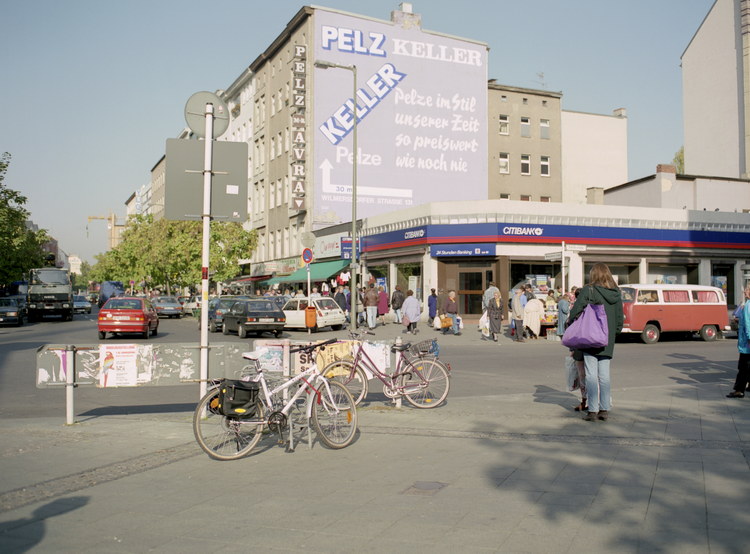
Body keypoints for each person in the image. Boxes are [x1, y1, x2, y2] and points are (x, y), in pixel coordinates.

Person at [567, 263, 624, 422]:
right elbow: (620, 317)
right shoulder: (616, 293)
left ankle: (592, 410)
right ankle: (604, 409)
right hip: (607, 339)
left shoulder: (589, 290)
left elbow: (576, 310)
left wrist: (571, 323)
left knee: (591, 375)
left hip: (590, 337)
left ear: (593, 275)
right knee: (604, 376)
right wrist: (613, 333)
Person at [727, 285, 750, 398]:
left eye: (747, 290)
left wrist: (749, 337)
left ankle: (739, 390)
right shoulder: (746, 305)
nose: (745, 292)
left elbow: (748, 324)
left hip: (747, 343)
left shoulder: (748, 306)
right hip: (746, 342)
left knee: (743, 367)